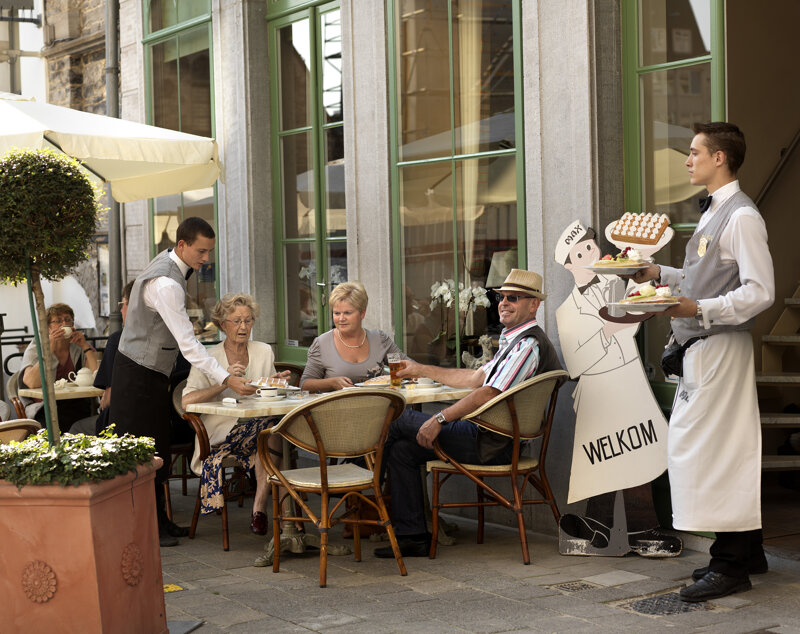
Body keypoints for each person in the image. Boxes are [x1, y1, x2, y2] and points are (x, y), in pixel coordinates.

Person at [632, 122, 774, 602]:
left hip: (721, 347)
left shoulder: (741, 217)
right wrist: (659, 272)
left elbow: (760, 291)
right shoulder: (717, 213)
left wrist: (699, 310)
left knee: (713, 452)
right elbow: (705, 278)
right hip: (706, 348)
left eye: (695, 152)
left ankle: (731, 565)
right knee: (713, 449)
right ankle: (747, 554)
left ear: (720, 159)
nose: (687, 160)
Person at [374, 269, 563, 558]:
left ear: (533, 304)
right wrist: (421, 369)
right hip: (490, 437)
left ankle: (366, 497)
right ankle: (412, 536)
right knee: (401, 450)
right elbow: (475, 379)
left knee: (394, 420)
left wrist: (439, 418)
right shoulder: (513, 341)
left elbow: (489, 393)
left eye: (513, 298)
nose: (503, 303)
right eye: (500, 297)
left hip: (492, 443)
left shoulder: (527, 345)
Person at [109, 217, 255, 547]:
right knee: (140, 453)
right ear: (182, 246)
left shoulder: (170, 266)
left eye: (209, 252)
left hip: (151, 372)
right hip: (137, 373)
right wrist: (227, 378)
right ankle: (143, 528)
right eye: (201, 252)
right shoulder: (167, 284)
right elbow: (189, 344)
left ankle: (160, 521)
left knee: (156, 448)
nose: (206, 259)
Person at [554, 220, 680, 557]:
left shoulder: (614, 282)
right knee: (606, 456)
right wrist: (608, 331)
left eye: (591, 247)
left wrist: (645, 291)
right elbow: (576, 362)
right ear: (569, 264)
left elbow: (639, 310)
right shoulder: (565, 311)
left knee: (641, 450)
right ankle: (610, 527)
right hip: (599, 390)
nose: (588, 254)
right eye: (579, 252)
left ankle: (623, 529)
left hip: (629, 380)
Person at [181, 293, 290, 536]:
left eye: (248, 321)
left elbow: (267, 392)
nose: (243, 327)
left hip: (259, 426)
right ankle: (288, 521)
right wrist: (223, 381)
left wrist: (275, 383)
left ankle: (259, 507)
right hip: (221, 433)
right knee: (275, 435)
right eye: (236, 321)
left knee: (271, 431)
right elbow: (186, 401)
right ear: (222, 324)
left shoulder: (263, 351)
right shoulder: (207, 358)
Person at [300, 281, 408, 391]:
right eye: (337, 313)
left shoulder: (379, 339)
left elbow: (408, 367)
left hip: (378, 406)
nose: (341, 319)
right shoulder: (322, 343)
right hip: (337, 407)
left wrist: (414, 374)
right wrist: (331, 383)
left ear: (362, 313)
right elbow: (305, 384)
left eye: (347, 313)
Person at [19, 303, 99, 433]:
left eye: (68, 320)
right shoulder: (37, 346)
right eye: (58, 321)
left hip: (75, 403)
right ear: (48, 328)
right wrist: (48, 349)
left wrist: (85, 346)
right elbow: (31, 382)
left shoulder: (77, 346)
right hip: (45, 407)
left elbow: (95, 374)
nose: (64, 324)